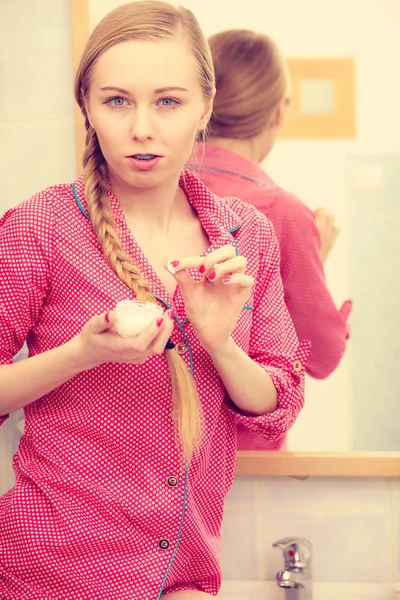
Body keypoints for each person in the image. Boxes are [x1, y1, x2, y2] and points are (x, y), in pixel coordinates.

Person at [0, 3, 310, 599]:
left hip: (182, 574)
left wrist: (219, 343)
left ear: (204, 109)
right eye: (117, 101)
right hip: (49, 571)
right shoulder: (39, 227)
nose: (142, 127)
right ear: (87, 107)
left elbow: (278, 404)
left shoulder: (247, 237)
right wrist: (81, 354)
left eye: (168, 101)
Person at [187, 29, 352, 450]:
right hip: (244, 460)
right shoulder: (280, 212)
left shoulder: (149, 190)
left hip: (139, 458)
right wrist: (317, 256)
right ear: (279, 112)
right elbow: (321, 356)